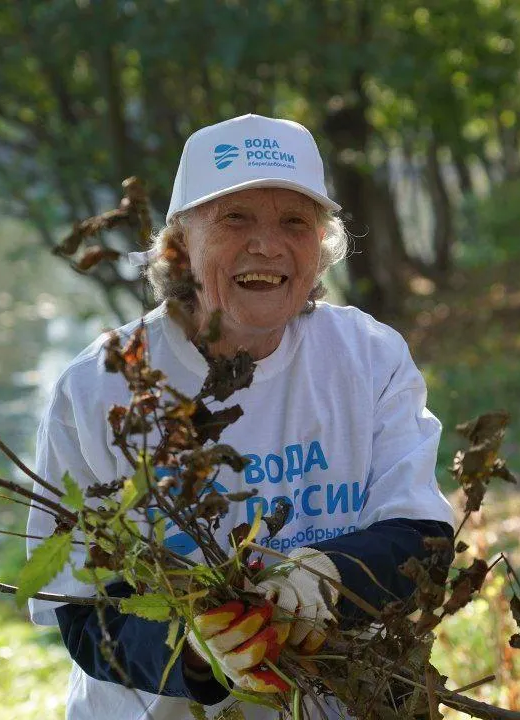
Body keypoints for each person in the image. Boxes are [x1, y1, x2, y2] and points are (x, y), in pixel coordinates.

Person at [26, 113, 455, 719]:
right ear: (179, 246)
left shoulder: (368, 357)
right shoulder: (100, 387)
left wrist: (329, 577)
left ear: (320, 246)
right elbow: (80, 611)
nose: (268, 244)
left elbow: (426, 542)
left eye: (294, 222)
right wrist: (192, 650)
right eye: (236, 218)